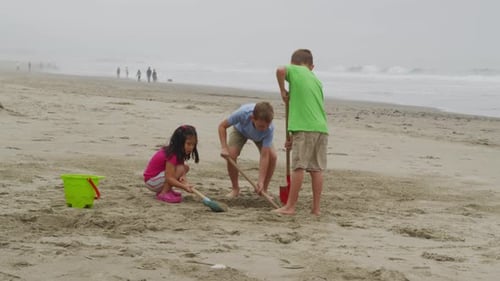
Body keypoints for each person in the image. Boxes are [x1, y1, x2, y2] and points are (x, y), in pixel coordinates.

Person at [274, 49, 328, 216]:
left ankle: (290, 206)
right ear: (311, 66)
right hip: (321, 128)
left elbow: (280, 70)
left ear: (294, 63)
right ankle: (316, 209)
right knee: (316, 169)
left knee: (298, 167)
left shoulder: (297, 70)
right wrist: (291, 135)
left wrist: (282, 90)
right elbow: (306, 106)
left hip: (304, 128)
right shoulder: (317, 81)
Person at [218, 102, 277, 198]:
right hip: (240, 131)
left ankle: (263, 189)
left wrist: (260, 181)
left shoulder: (268, 129)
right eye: (261, 126)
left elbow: (264, 156)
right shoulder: (242, 113)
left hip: (260, 138)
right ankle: (235, 189)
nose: (264, 128)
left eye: (267, 125)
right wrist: (224, 147)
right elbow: (222, 126)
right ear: (252, 118)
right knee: (231, 155)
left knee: (272, 157)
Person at [143, 125, 200, 203]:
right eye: (188, 144)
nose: (191, 147)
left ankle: (167, 190)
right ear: (180, 143)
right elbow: (169, 178)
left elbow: (182, 172)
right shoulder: (172, 154)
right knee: (180, 168)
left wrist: (185, 182)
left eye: (193, 144)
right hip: (151, 182)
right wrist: (184, 187)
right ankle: (164, 193)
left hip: (158, 180)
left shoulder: (178, 152)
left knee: (185, 167)